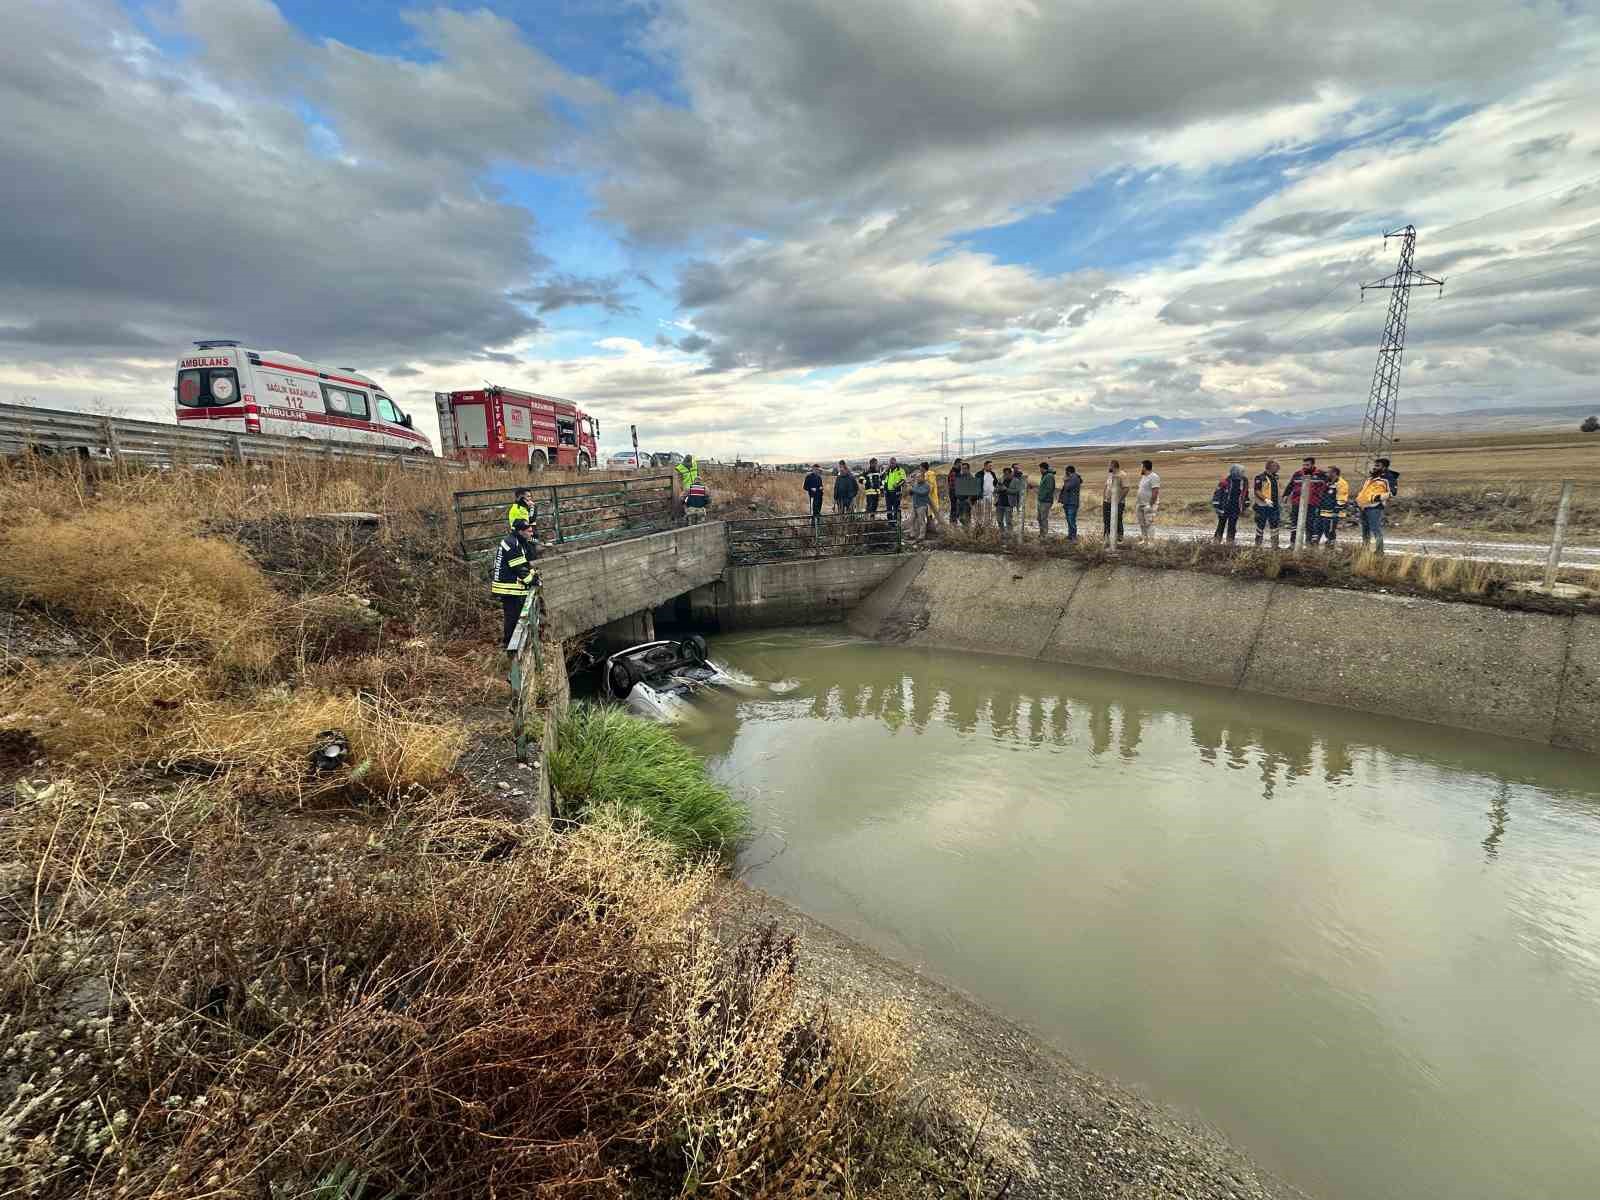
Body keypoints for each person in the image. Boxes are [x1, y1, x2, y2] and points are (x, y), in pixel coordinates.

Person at [492, 518, 542, 650]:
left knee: (517, 615)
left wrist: (533, 575)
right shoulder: (512, 543)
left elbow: (525, 563)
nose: (531, 533)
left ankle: (517, 644)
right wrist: (532, 580)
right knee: (512, 617)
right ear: (520, 531)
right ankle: (509, 646)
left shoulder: (517, 541)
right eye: (529, 531)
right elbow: (519, 568)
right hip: (508, 587)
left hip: (511, 585)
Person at [1284, 456, 1328, 547]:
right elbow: (1290, 485)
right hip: (1297, 502)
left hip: (1313, 503)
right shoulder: (1297, 474)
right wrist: (1285, 495)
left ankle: (1309, 544)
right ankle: (1293, 544)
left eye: (1307, 465)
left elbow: (1326, 487)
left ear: (1313, 465)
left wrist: (1322, 498)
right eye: (1304, 465)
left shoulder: (1321, 475)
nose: (1305, 467)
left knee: (1310, 523)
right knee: (1294, 523)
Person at [1357, 465, 1391, 551]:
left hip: (1374, 507)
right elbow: (1364, 492)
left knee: (1375, 529)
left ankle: (1379, 551)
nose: (1372, 470)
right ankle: (1365, 549)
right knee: (1365, 530)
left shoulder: (1383, 481)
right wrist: (1359, 500)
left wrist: (1376, 498)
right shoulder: (1369, 480)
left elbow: (1389, 493)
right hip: (1364, 507)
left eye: (1375, 468)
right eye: (1373, 468)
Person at [1212, 464, 1248, 543]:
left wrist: (1245, 505)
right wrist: (1217, 507)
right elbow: (1217, 494)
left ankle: (1230, 543)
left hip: (1236, 507)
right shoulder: (1225, 481)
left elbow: (1245, 493)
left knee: (1232, 526)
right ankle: (1216, 542)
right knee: (1221, 524)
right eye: (1241, 472)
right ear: (1235, 472)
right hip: (1224, 507)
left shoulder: (1244, 481)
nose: (1243, 473)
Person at [1316, 465, 1349, 546]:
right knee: (1320, 527)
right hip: (1324, 509)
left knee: (1329, 529)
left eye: (1329, 472)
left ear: (1334, 473)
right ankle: (1317, 542)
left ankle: (1331, 544)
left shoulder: (1341, 483)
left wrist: (1337, 509)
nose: (1327, 473)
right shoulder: (1328, 481)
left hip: (1333, 511)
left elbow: (1342, 496)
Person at [1252, 459, 1282, 548]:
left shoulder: (1276, 477)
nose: (1278, 468)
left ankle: (1275, 545)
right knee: (1260, 526)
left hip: (1274, 506)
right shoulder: (1260, 477)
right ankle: (1258, 545)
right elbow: (1257, 491)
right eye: (1276, 466)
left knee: (1275, 525)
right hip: (1262, 506)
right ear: (1270, 467)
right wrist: (1266, 500)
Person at [1136, 459, 1161, 543]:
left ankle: (1151, 542)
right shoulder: (1144, 477)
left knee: (1149, 523)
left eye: (1141, 467)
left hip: (1149, 504)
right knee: (1142, 523)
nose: (1140, 469)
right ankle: (1145, 540)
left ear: (1145, 467)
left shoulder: (1154, 477)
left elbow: (1155, 491)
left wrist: (1150, 504)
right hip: (1140, 504)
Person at [1102, 460, 1127, 541]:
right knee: (1106, 520)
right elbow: (1106, 486)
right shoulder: (1110, 475)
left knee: (1117, 519)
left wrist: (1119, 500)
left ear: (1113, 466)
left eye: (1109, 465)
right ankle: (1107, 537)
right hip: (1107, 502)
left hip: (1118, 503)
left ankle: (1119, 538)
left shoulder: (1122, 475)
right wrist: (1104, 497)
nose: (1108, 467)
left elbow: (1126, 488)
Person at [673, 454, 698, 524]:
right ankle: (689, 520)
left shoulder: (695, 465)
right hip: (687, 490)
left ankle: (696, 519)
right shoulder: (680, 468)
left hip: (696, 488)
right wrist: (681, 490)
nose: (688, 465)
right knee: (687, 505)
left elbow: (698, 475)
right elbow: (679, 480)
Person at [1059, 465, 1081, 540]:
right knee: (1069, 520)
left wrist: (1065, 480)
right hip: (1068, 502)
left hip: (1072, 502)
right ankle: (1070, 535)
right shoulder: (1072, 478)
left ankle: (1073, 536)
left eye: (1066, 472)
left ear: (1068, 471)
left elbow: (1068, 487)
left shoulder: (1074, 478)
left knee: (1071, 520)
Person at [910, 468, 932, 540]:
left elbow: (922, 493)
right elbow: (913, 493)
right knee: (912, 520)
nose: (917, 478)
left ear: (923, 477)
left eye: (919, 477)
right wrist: (910, 491)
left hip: (921, 506)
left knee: (921, 521)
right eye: (917, 477)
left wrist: (912, 489)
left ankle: (921, 536)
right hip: (915, 505)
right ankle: (912, 534)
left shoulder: (926, 485)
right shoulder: (916, 485)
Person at [1036, 462, 1057, 539]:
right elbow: (1043, 488)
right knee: (1039, 518)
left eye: (1040, 468)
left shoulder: (1049, 476)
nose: (1040, 470)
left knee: (1043, 518)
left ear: (1043, 468)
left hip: (1046, 501)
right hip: (1041, 500)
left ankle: (1044, 534)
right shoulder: (1045, 476)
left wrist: (1042, 497)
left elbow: (1049, 489)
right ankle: (1042, 533)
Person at [883, 457, 907, 524]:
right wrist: (885, 489)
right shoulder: (888, 471)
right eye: (890, 463)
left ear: (895, 462)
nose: (891, 464)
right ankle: (890, 522)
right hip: (888, 493)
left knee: (896, 508)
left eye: (893, 463)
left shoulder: (900, 470)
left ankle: (896, 522)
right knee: (888, 508)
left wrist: (897, 485)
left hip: (896, 492)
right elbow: (885, 481)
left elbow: (903, 480)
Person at [803, 463, 824, 531]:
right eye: (815, 469)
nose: (817, 471)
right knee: (813, 512)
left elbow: (821, 486)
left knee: (818, 511)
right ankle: (812, 527)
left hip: (820, 497)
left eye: (818, 469)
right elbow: (805, 487)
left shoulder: (819, 477)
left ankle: (817, 525)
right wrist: (811, 488)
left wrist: (821, 488)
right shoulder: (808, 477)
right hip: (813, 497)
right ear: (813, 469)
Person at [921, 462, 942, 530]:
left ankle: (932, 529)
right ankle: (930, 529)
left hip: (931, 497)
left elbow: (931, 485)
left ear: (923, 467)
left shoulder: (930, 474)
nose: (920, 468)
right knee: (928, 514)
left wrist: (925, 492)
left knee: (931, 514)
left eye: (920, 467)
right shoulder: (925, 474)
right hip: (927, 498)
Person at [996, 466, 1015, 535]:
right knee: (999, 520)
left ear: (1010, 474)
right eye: (1004, 474)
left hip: (1008, 504)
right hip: (999, 503)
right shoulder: (1001, 480)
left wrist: (1006, 489)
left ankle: (1010, 534)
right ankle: (1002, 533)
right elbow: (995, 490)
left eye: (1007, 474)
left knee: (1008, 521)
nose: (1006, 475)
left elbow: (1016, 491)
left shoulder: (1015, 481)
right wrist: (998, 489)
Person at [979, 460, 997, 529]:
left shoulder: (992, 474)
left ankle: (989, 525)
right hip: (982, 496)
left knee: (990, 511)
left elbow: (995, 483)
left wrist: (995, 491)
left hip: (991, 495)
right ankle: (981, 526)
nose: (991, 467)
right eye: (990, 466)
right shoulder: (979, 474)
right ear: (985, 466)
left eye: (991, 466)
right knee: (982, 512)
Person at [946, 461, 961, 526]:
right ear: (956, 464)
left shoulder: (956, 472)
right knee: (954, 506)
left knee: (954, 507)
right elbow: (953, 483)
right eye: (959, 464)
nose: (960, 466)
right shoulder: (953, 472)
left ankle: (953, 521)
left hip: (954, 491)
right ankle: (953, 522)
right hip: (954, 491)